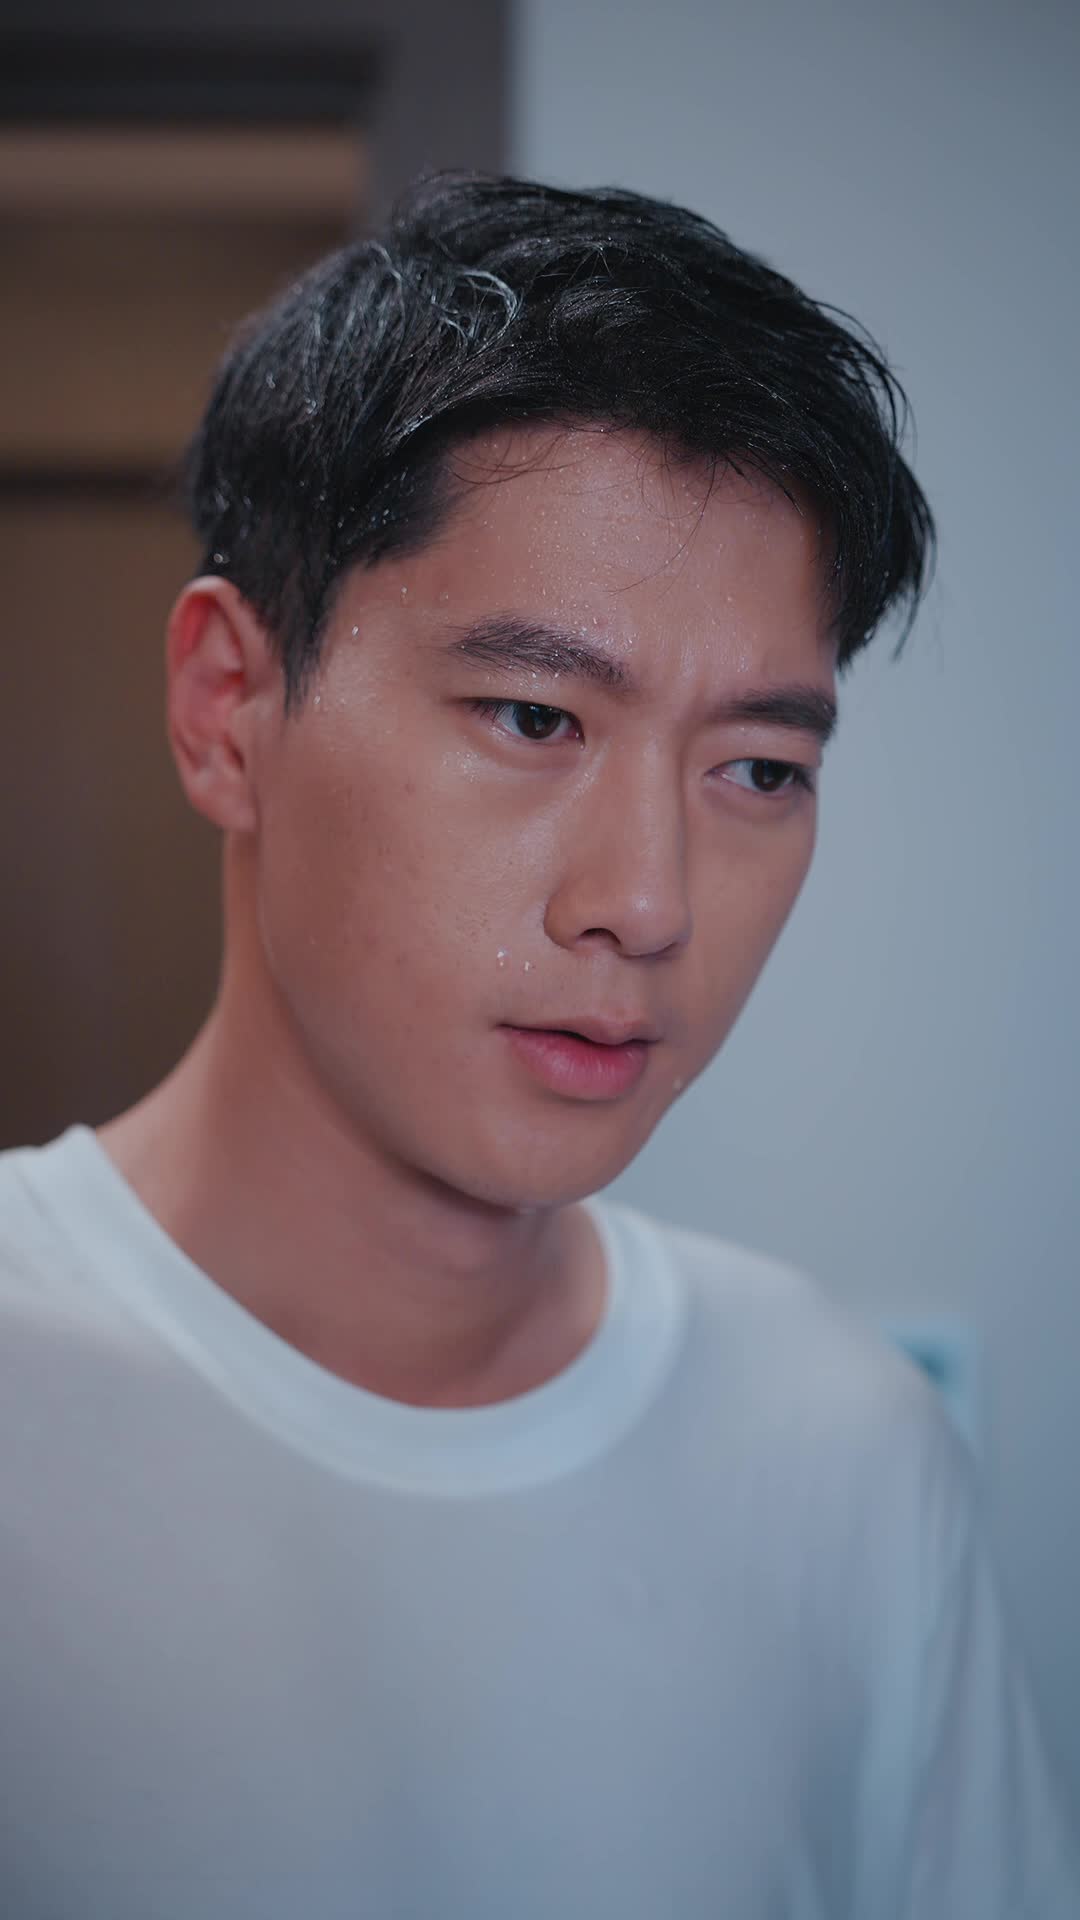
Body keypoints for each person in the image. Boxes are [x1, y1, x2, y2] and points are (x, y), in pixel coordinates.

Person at [0, 172, 1075, 1919]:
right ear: (228, 710)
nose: (647, 902)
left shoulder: (846, 1460)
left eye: (759, 770)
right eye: (532, 715)